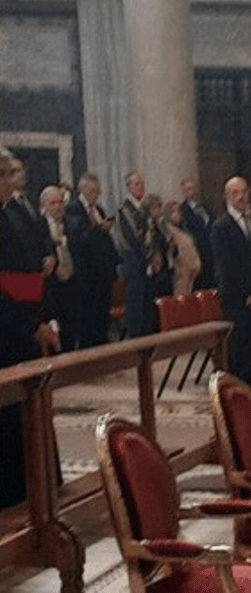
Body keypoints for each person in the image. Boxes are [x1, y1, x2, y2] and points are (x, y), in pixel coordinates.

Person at [0, 147, 60, 510]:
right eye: (3, 174)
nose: (10, 181)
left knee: (31, 411)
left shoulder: (15, 214)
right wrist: (28, 327)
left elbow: (33, 273)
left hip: (26, 324)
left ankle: (35, 486)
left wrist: (44, 318)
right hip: (6, 334)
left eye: (10, 173)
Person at [210, 176, 251, 395]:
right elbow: (227, 266)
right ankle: (240, 390)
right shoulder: (221, 227)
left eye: (244, 191)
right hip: (236, 296)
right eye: (235, 193)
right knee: (240, 345)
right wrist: (249, 292)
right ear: (226, 197)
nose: (241, 196)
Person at [67, 172, 119, 347]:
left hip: (103, 270)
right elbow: (78, 238)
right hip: (87, 272)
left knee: (103, 312)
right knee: (89, 315)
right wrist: (97, 228)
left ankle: (102, 342)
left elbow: (102, 238)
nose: (96, 195)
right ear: (82, 189)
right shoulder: (73, 209)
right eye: (92, 191)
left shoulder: (99, 210)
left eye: (97, 191)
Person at [39, 185, 80, 351]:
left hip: (72, 284)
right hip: (51, 287)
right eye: (53, 203)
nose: (58, 206)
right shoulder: (38, 226)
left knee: (72, 332)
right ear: (44, 206)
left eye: (61, 202)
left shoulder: (73, 223)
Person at [114, 171, 153, 337]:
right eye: (136, 184)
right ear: (129, 187)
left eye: (142, 183)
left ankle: (147, 334)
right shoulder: (124, 209)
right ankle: (135, 336)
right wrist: (146, 256)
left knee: (147, 301)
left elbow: (151, 232)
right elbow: (131, 237)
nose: (140, 187)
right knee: (135, 300)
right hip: (133, 260)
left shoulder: (145, 208)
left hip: (147, 260)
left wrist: (152, 255)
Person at [179, 177, 216, 290]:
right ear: (184, 192)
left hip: (212, 255)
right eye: (189, 189)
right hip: (197, 256)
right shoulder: (182, 211)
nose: (192, 192)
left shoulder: (206, 208)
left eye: (193, 188)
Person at [162, 200, 202, 295]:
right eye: (173, 212)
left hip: (192, 274)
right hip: (180, 275)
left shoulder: (185, 229)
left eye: (178, 211)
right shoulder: (169, 232)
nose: (177, 214)